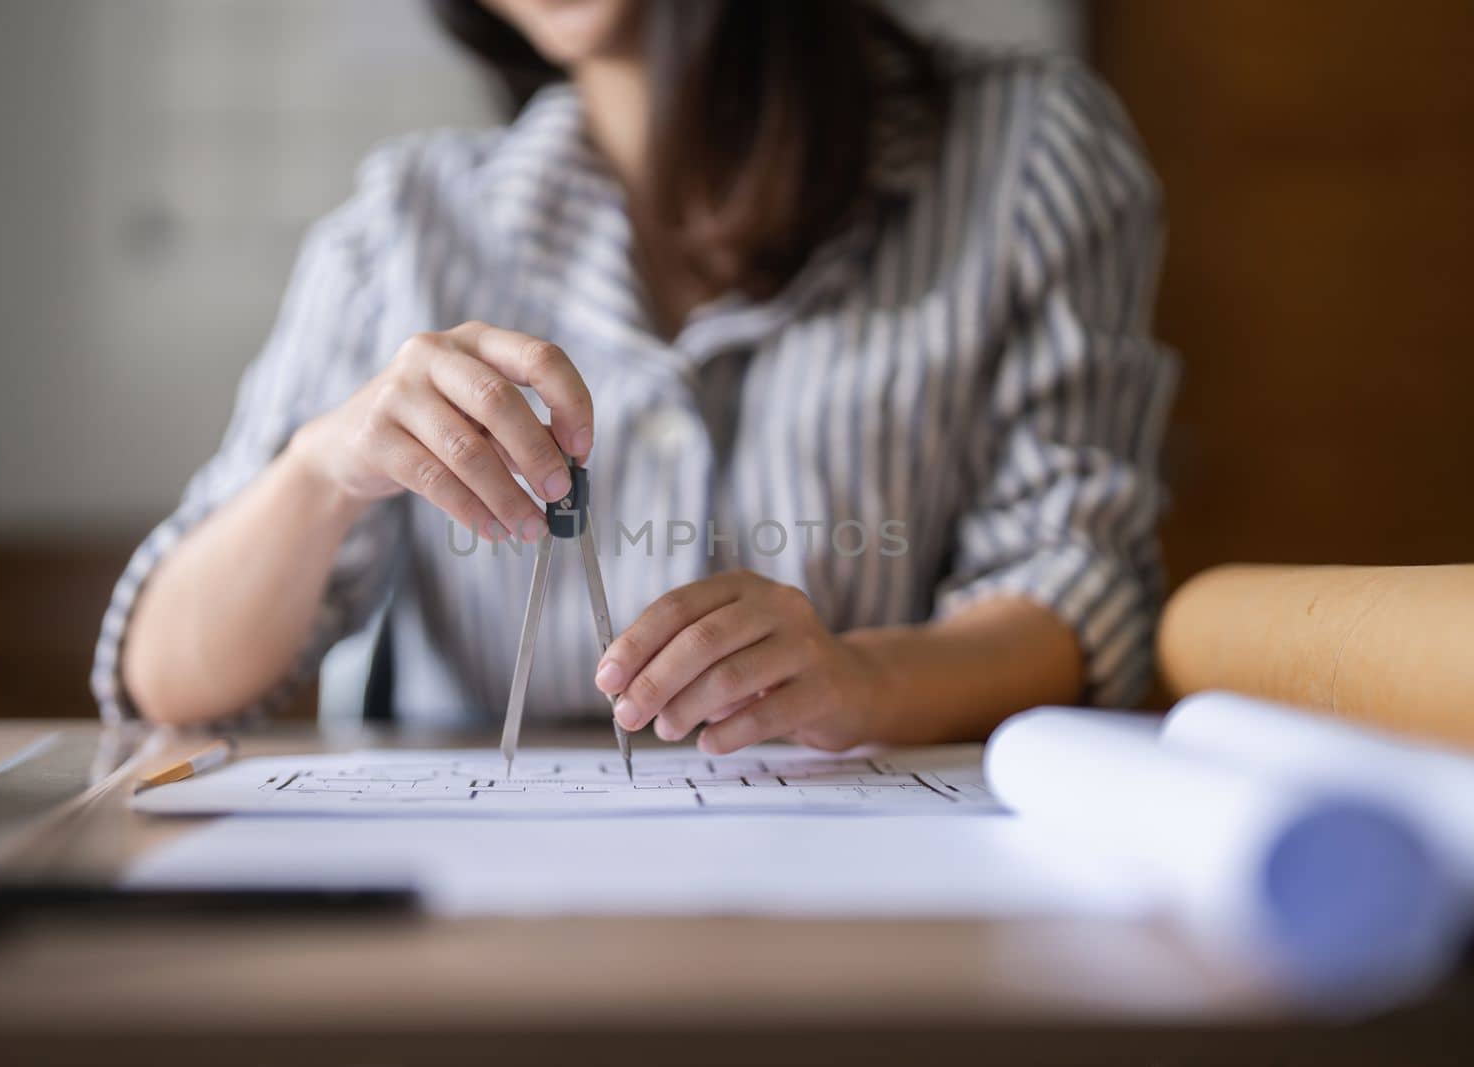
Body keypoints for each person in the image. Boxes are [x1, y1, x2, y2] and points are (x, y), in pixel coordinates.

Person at [92, 0, 1176, 755]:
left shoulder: (1033, 156)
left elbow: (1076, 589)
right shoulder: (401, 227)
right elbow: (168, 680)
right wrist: (321, 470)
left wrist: (865, 680)